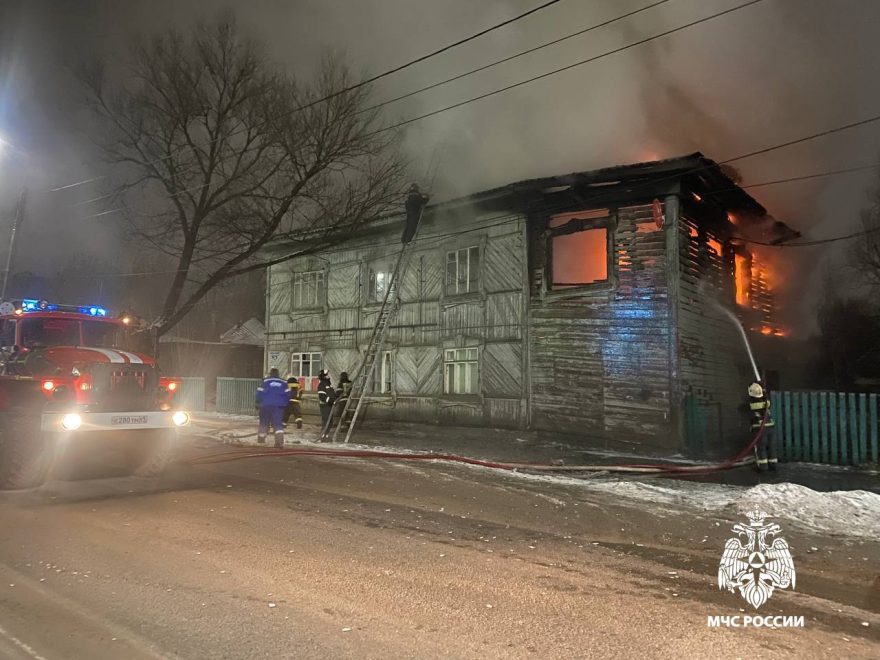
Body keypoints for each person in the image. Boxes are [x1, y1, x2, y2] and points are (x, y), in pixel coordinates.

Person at [255, 368, 289, 448]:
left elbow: (259, 393)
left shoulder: (265, 382)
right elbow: (288, 394)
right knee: (278, 424)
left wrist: (257, 402)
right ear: (278, 374)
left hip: (265, 405)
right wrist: (285, 403)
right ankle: (279, 442)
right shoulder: (284, 382)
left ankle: (261, 439)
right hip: (278, 406)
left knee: (264, 422)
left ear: (270, 373)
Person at [748, 380, 777, 472]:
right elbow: (765, 400)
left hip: (760, 429)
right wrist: (763, 391)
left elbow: (744, 409)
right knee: (771, 447)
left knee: (761, 448)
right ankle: (773, 465)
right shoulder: (766, 402)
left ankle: (763, 468)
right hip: (771, 428)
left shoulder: (751, 404)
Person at [317, 370, 336, 440]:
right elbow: (322, 396)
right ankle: (322, 436)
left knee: (330, 421)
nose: (328, 376)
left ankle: (326, 435)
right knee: (326, 420)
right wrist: (330, 400)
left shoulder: (329, 385)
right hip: (324, 405)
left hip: (329, 405)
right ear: (323, 376)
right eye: (327, 375)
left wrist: (335, 398)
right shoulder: (322, 385)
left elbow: (332, 394)